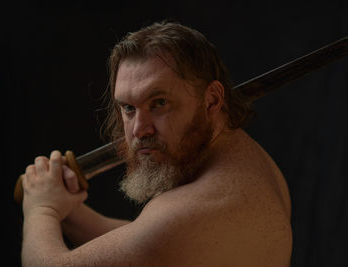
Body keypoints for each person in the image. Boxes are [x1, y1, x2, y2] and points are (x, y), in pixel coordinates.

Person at [21, 21, 292, 266]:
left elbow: (156, 238)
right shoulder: (249, 164)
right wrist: (66, 209)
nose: (139, 129)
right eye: (128, 108)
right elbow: (143, 242)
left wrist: (41, 209)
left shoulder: (193, 210)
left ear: (211, 100)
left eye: (159, 103)